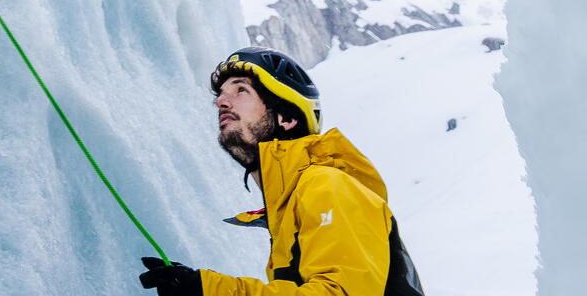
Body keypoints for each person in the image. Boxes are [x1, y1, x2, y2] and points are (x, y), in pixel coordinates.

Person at [133, 48, 421, 296]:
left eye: (240, 90)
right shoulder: (292, 204)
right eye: (221, 95)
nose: (221, 101)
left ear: (286, 118)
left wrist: (208, 289)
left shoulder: (328, 185)